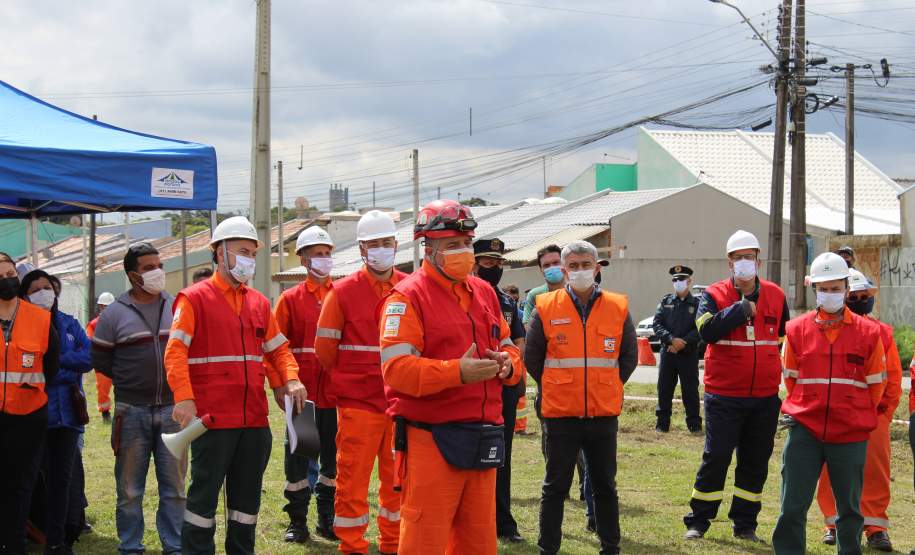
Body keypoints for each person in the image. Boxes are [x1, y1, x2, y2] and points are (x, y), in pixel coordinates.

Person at [378, 199, 523, 554]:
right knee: (424, 540)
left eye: (467, 243)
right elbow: (396, 371)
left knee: (478, 542)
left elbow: (511, 348)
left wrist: (508, 364)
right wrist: (456, 371)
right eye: (452, 246)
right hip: (432, 441)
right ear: (428, 249)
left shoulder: (485, 293)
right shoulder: (406, 298)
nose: (463, 252)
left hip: (483, 436)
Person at [164, 216, 308, 555]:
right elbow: (175, 352)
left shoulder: (259, 302)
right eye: (242, 251)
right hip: (212, 421)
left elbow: (278, 350)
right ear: (219, 252)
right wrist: (184, 398)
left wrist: (290, 378)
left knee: (246, 506)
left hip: (254, 422)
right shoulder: (193, 299)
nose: (249, 259)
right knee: (202, 504)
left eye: (253, 253)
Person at [525, 240, 637, 555]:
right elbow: (533, 358)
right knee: (554, 488)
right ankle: (548, 548)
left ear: (597, 267)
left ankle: (610, 547)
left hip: (603, 414)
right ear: (564, 270)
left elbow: (628, 357)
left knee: (604, 486)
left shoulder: (618, 306)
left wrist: (606, 385)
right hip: (561, 415)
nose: (580, 271)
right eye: (573, 266)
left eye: (585, 265)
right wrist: (559, 385)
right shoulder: (545, 306)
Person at [772, 253, 887, 554]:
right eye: (824, 288)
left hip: (850, 432)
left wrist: (854, 413)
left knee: (849, 510)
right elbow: (792, 380)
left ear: (847, 288)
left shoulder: (869, 333)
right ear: (814, 290)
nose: (830, 294)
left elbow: (876, 385)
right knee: (792, 505)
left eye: (835, 288)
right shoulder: (796, 330)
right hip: (805, 430)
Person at [684, 230, 789, 541]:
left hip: (764, 397)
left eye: (750, 256)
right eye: (738, 257)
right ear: (729, 262)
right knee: (716, 457)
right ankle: (698, 521)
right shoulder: (713, 295)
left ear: (760, 259)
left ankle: (745, 525)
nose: (745, 262)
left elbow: (784, 339)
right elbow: (707, 332)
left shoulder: (776, 295)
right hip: (724, 396)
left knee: (755, 463)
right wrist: (739, 309)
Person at [313, 210, 405, 555]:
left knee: (397, 479)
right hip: (358, 404)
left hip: (399, 402)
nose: (381, 249)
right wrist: (351, 379)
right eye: (373, 244)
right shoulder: (342, 292)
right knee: (352, 479)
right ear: (362, 249)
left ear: (396, 245)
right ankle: (352, 546)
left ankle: (393, 543)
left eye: (386, 243)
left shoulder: (410, 289)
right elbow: (325, 350)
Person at [90, 242, 186, 555]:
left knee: (175, 487)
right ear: (133, 275)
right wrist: (131, 382)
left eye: (159, 265)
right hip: (131, 411)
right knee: (130, 489)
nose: (158, 272)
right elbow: (102, 361)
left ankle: (174, 545)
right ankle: (131, 547)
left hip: (174, 410)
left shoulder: (177, 307)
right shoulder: (114, 314)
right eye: (149, 267)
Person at [816, 269, 902, 552]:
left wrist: (884, 415)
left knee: (875, 472)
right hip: (836, 415)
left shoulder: (883, 332)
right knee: (831, 470)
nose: (862, 301)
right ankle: (832, 525)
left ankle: (876, 529)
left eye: (866, 296)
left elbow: (892, 377)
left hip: (873, 417)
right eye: (856, 297)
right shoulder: (828, 330)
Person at [273, 226, 339, 543]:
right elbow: (276, 348)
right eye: (317, 254)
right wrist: (281, 385)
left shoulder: (342, 296)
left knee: (333, 462)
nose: (323, 259)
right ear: (302, 258)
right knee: (299, 460)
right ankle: (297, 522)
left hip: (336, 396)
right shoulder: (289, 300)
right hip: (303, 397)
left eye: (327, 253)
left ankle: (327, 521)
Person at [20, 270, 92, 554]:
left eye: (47, 287)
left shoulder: (69, 324)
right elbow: (28, 369)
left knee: (62, 481)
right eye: (35, 289)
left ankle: (57, 540)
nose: (43, 293)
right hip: (32, 417)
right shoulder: (20, 326)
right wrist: (64, 368)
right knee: (29, 482)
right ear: (25, 295)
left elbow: (88, 358)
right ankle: (21, 536)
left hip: (68, 417)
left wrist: (53, 360)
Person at [0, 254, 59, 555]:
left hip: (28, 416)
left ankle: (14, 545)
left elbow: (49, 368)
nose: (7, 279)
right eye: (1, 275)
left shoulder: (40, 319)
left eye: (11, 273)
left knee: (20, 486)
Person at [473, 238, 527, 544]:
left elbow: (517, 340)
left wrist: (516, 376)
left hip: (501, 389)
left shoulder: (506, 302)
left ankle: (503, 521)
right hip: (468, 387)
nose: (495, 269)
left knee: (500, 456)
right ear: (475, 263)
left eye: (499, 263)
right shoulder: (463, 297)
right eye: (488, 263)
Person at [651, 265, 702, 433]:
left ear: (689, 281)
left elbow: (700, 327)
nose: (678, 282)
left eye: (681, 279)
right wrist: (671, 340)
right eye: (675, 280)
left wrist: (684, 342)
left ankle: (694, 424)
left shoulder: (697, 304)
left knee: (690, 390)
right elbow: (657, 324)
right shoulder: (666, 302)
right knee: (664, 388)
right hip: (669, 353)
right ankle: (662, 423)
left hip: (688, 354)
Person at [87, 291, 115, 422]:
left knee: (124, 387)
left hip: (119, 360)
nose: (107, 309)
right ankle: (105, 413)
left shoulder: (119, 321)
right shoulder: (93, 324)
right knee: (103, 388)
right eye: (105, 306)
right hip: (103, 362)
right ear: (101, 307)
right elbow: (89, 343)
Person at [522, 244, 564, 325]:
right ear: (541, 269)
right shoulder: (535, 295)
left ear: (564, 264)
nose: (552, 267)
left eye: (556, 263)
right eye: (546, 265)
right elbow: (527, 324)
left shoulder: (576, 291)